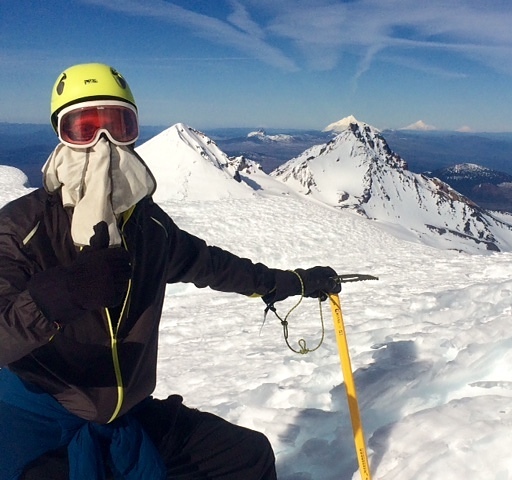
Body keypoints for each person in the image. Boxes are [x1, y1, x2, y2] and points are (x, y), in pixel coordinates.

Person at [0, 62, 341, 480]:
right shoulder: (20, 229)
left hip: (129, 417)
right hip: (39, 421)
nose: (103, 144)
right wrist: (56, 298)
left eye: (118, 125)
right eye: (84, 128)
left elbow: (213, 266)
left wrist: (291, 282)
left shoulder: (149, 229)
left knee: (247, 456)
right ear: (61, 135)